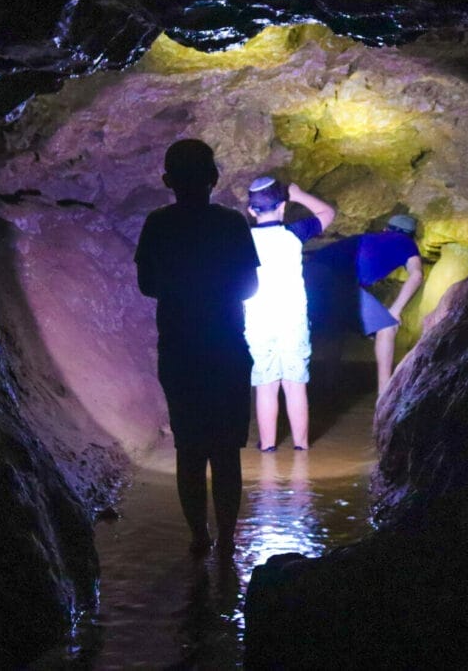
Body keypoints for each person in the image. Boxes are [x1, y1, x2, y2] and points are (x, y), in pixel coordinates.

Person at [135, 139, 260, 557]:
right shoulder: (230, 224)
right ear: (214, 178)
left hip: (180, 349)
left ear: (168, 180)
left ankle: (199, 539)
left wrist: (183, 287)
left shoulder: (158, 224)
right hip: (225, 346)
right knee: (226, 450)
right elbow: (250, 286)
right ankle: (226, 540)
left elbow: (147, 285)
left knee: (189, 449)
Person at [243, 177, 335, 451]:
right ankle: (301, 447)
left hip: (258, 320)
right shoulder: (294, 233)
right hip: (292, 320)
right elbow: (327, 213)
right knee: (295, 385)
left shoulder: (243, 240)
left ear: (251, 211)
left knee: (266, 386)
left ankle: (268, 446)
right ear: (283, 207)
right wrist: (298, 194)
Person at [305, 214, 424, 396]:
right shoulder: (406, 243)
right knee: (387, 327)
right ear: (412, 235)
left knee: (334, 325)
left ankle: (328, 383)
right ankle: (384, 394)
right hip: (336, 279)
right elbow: (416, 275)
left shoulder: (366, 238)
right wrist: (395, 310)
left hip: (307, 275)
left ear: (386, 229)